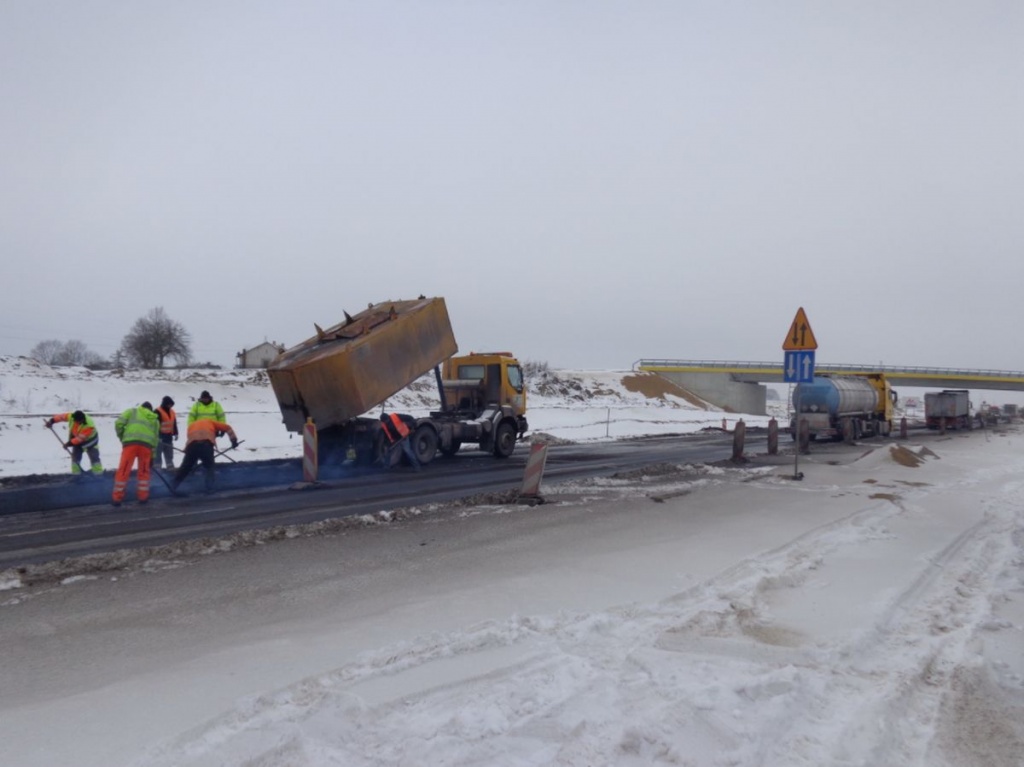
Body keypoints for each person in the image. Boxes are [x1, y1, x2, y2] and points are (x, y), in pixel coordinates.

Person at [171, 417, 239, 495]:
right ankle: (209, 488)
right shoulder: (212, 422)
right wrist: (234, 441)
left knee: (185, 467)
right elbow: (228, 428)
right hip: (206, 445)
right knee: (209, 466)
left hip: (192, 446)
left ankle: (173, 485)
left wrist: (188, 454)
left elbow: (190, 440)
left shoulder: (191, 425)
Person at [112, 401, 161, 507]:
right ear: (150, 410)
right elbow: (155, 440)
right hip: (146, 447)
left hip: (130, 444)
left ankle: (117, 498)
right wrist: (152, 457)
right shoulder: (154, 419)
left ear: (141, 407)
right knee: (144, 471)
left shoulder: (132, 411)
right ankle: (143, 497)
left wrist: (122, 437)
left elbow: (118, 423)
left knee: (124, 470)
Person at [45, 410, 103, 477]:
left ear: (82, 419)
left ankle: (98, 476)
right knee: (75, 459)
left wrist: (68, 444)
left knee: (94, 458)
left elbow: (79, 439)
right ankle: (77, 477)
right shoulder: (71, 417)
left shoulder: (89, 425)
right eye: (77, 421)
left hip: (91, 441)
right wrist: (52, 421)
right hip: (77, 440)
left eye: (80, 421)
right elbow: (61, 417)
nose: (78, 422)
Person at [155, 396, 179, 469]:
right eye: (169, 404)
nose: (170, 406)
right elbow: (155, 425)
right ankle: (157, 467)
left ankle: (170, 466)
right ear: (165, 404)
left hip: (169, 436)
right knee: (158, 453)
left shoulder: (172, 412)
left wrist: (176, 433)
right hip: (160, 436)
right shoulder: (157, 411)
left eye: (171, 404)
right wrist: (157, 436)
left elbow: (174, 423)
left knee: (169, 453)